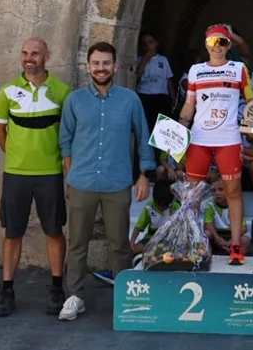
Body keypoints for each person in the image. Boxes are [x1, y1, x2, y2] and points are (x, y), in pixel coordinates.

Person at [57, 41, 154, 322]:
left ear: (116, 66)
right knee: (76, 243)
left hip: (117, 182)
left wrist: (144, 174)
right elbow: (66, 141)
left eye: (106, 63)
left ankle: (124, 298)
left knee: (119, 244)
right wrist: (71, 175)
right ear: (88, 67)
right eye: (96, 63)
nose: (101, 68)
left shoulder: (130, 100)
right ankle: (74, 296)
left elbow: (143, 136)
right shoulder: (75, 100)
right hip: (82, 182)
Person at [0, 38, 72, 317]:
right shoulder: (8, 91)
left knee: (54, 232)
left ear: (47, 56)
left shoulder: (62, 91)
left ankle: (57, 288)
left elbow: (69, 132)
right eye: (24, 52)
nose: (29, 58)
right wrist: (12, 152)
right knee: (12, 233)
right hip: (16, 174)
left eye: (35, 53)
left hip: (50, 173)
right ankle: (7, 291)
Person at [176, 24, 253, 266]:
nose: (217, 46)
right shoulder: (196, 71)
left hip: (228, 139)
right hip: (199, 139)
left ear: (229, 45)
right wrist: (179, 128)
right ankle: (193, 244)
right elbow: (189, 104)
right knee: (192, 195)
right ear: (206, 44)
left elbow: (251, 101)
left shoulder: (239, 69)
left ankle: (235, 245)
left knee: (232, 192)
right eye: (213, 42)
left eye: (222, 42)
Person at [131, 179, 179, 264]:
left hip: (170, 240)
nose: (162, 208)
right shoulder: (149, 208)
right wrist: (132, 242)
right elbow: (138, 227)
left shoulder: (176, 207)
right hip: (151, 239)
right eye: (159, 205)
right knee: (133, 250)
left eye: (165, 206)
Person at [136, 33, 177, 131]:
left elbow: (167, 79)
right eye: (144, 43)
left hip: (161, 96)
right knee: (146, 126)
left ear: (156, 43)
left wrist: (173, 97)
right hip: (145, 94)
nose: (147, 46)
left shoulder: (163, 60)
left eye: (150, 42)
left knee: (161, 128)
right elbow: (137, 76)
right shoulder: (140, 59)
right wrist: (145, 59)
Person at [204, 178, 251, 256]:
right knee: (206, 234)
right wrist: (218, 239)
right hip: (216, 236)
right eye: (214, 191)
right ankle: (207, 254)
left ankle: (234, 254)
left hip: (233, 236)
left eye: (221, 189)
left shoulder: (236, 205)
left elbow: (243, 228)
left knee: (245, 240)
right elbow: (208, 224)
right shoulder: (210, 204)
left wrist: (229, 242)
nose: (217, 193)